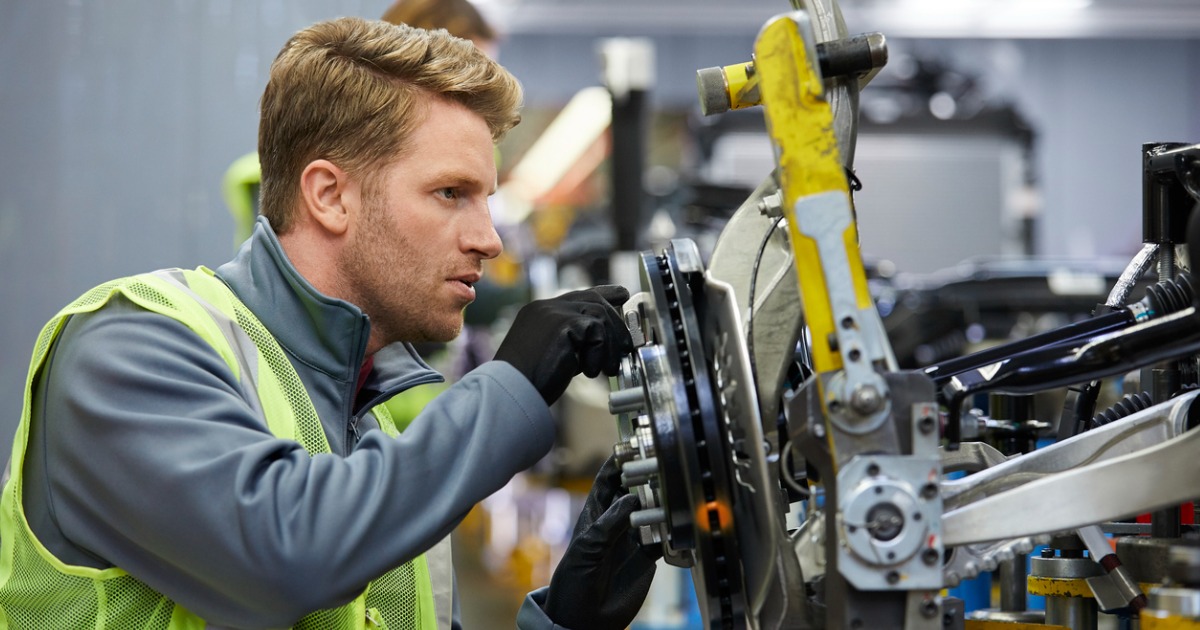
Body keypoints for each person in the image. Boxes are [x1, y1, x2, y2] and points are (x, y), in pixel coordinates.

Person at [0, 17, 657, 630]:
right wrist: (512, 382)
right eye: (450, 194)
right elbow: (285, 553)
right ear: (329, 195)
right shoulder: (123, 350)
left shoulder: (370, 430)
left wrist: (569, 616)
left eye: (486, 199)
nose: (489, 239)